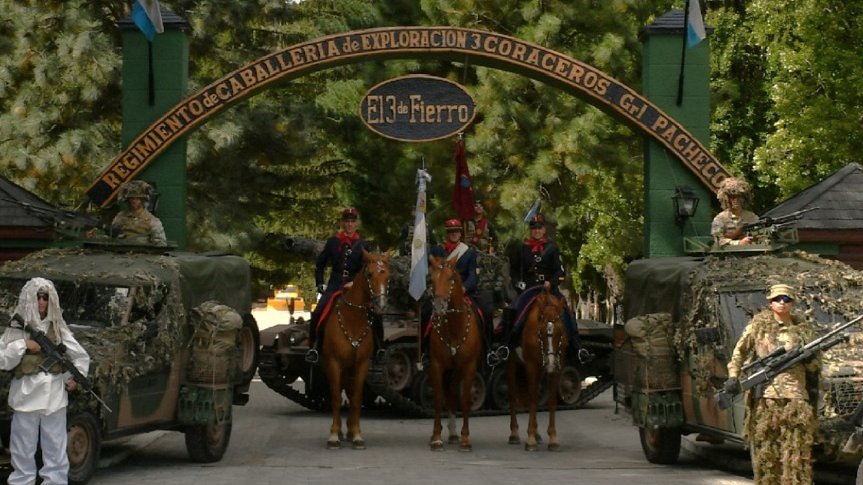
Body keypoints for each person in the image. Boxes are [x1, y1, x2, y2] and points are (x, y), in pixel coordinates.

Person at [724, 284, 820, 485]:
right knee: (768, 452)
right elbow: (739, 353)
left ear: (792, 303)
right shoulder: (758, 327)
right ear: (770, 302)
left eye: (787, 299)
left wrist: (810, 359)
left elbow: (815, 367)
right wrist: (733, 376)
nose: (782, 302)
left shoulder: (803, 331)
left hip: (795, 398)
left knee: (795, 452)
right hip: (766, 398)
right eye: (777, 299)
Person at [0, 278, 90, 485]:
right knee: (22, 450)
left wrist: (74, 378)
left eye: (46, 297)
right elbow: (3, 360)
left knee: (56, 449)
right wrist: (23, 345)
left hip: (54, 396)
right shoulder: (18, 328)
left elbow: (80, 356)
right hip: (25, 395)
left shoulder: (57, 328)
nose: (41, 302)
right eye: (38, 297)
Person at [495, 214, 589, 365]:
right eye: (534, 228)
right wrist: (518, 283)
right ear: (530, 230)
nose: (537, 231)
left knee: (566, 311)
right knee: (514, 309)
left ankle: (577, 347)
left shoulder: (552, 248)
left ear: (544, 230)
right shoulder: (521, 248)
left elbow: (559, 272)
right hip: (529, 289)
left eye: (539, 228)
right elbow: (513, 270)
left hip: (548, 290)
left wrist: (551, 282)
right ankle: (505, 345)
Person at [305, 208, 379, 364]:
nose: (349, 225)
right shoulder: (333, 242)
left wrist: (355, 282)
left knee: (375, 312)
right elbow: (320, 264)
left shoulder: (363, 245)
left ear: (356, 224)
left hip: (355, 284)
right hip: (335, 283)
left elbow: (366, 268)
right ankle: (314, 347)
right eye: (347, 221)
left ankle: (379, 348)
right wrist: (320, 283)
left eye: (352, 222)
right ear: (342, 223)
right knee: (318, 312)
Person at [419, 219, 494, 364]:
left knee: (486, 311)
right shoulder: (437, 250)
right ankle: (425, 352)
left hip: (463, 292)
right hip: (442, 292)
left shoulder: (469, 252)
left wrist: (464, 287)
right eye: (451, 232)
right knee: (426, 312)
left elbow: (473, 274)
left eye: (456, 231)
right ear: (447, 233)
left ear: (461, 233)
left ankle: (488, 351)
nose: (454, 234)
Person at [111, 180, 167, 246]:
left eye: (137, 198)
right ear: (128, 200)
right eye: (132, 198)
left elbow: (161, 243)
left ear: (142, 200)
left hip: (143, 251)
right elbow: (112, 236)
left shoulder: (152, 220)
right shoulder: (120, 217)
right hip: (122, 250)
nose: (134, 201)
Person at [711, 177, 759, 247]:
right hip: (728, 253)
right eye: (732, 197)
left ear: (743, 198)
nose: (735, 200)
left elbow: (760, 235)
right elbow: (718, 240)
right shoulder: (720, 218)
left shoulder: (751, 216)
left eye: (738, 196)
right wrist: (739, 243)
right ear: (726, 199)